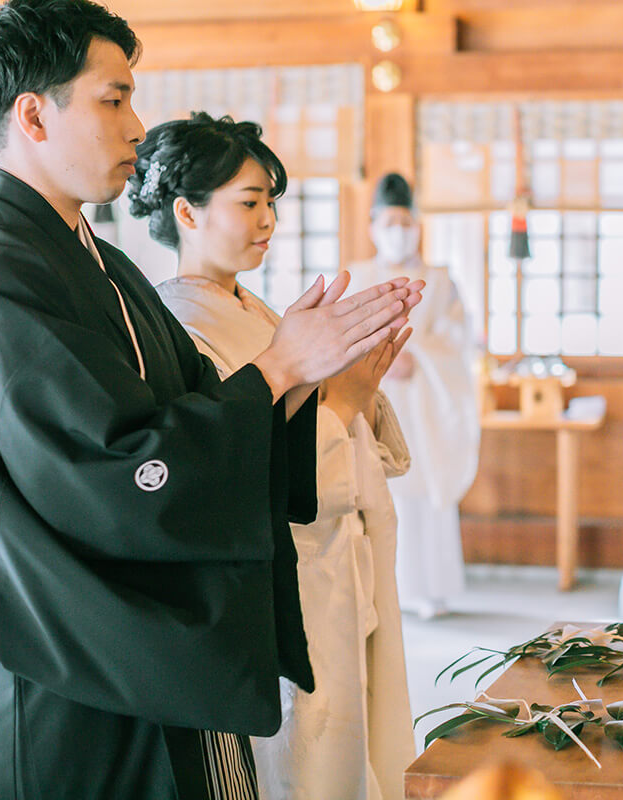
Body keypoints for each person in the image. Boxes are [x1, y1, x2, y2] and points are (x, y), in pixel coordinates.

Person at [0, 2, 420, 798]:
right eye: (114, 98)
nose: (137, 125)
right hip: (55, 683)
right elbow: (110, 474)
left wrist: (305, 385)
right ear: (33, 114)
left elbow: (202, 408)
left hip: (133, 660)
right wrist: (276, 371)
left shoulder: (110, 271)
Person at [134, 112, 416, 800]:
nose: (267, 220)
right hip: (283, 577)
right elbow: (225, 460)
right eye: (249, 202)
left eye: (272, 204)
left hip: (335, 560)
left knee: (353, 736)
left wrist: (358, 391)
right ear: (186, 212)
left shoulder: (256, 310)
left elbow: (316, 410)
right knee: (309, 750)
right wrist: (341, 406)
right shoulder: (178, 326)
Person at [348, 174, 480, 619]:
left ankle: (431, 590)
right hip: (372, 394)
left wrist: (417, 357)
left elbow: (457, 336)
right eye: (388, 222)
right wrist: (380, 358)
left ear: (418, 225)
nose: (397, 230)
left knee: (425, 488)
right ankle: (383, 587)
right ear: (372, 226)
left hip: (425, 402)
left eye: (405, 222)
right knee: (379, 487)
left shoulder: (440, 280)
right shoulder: (358, 276)